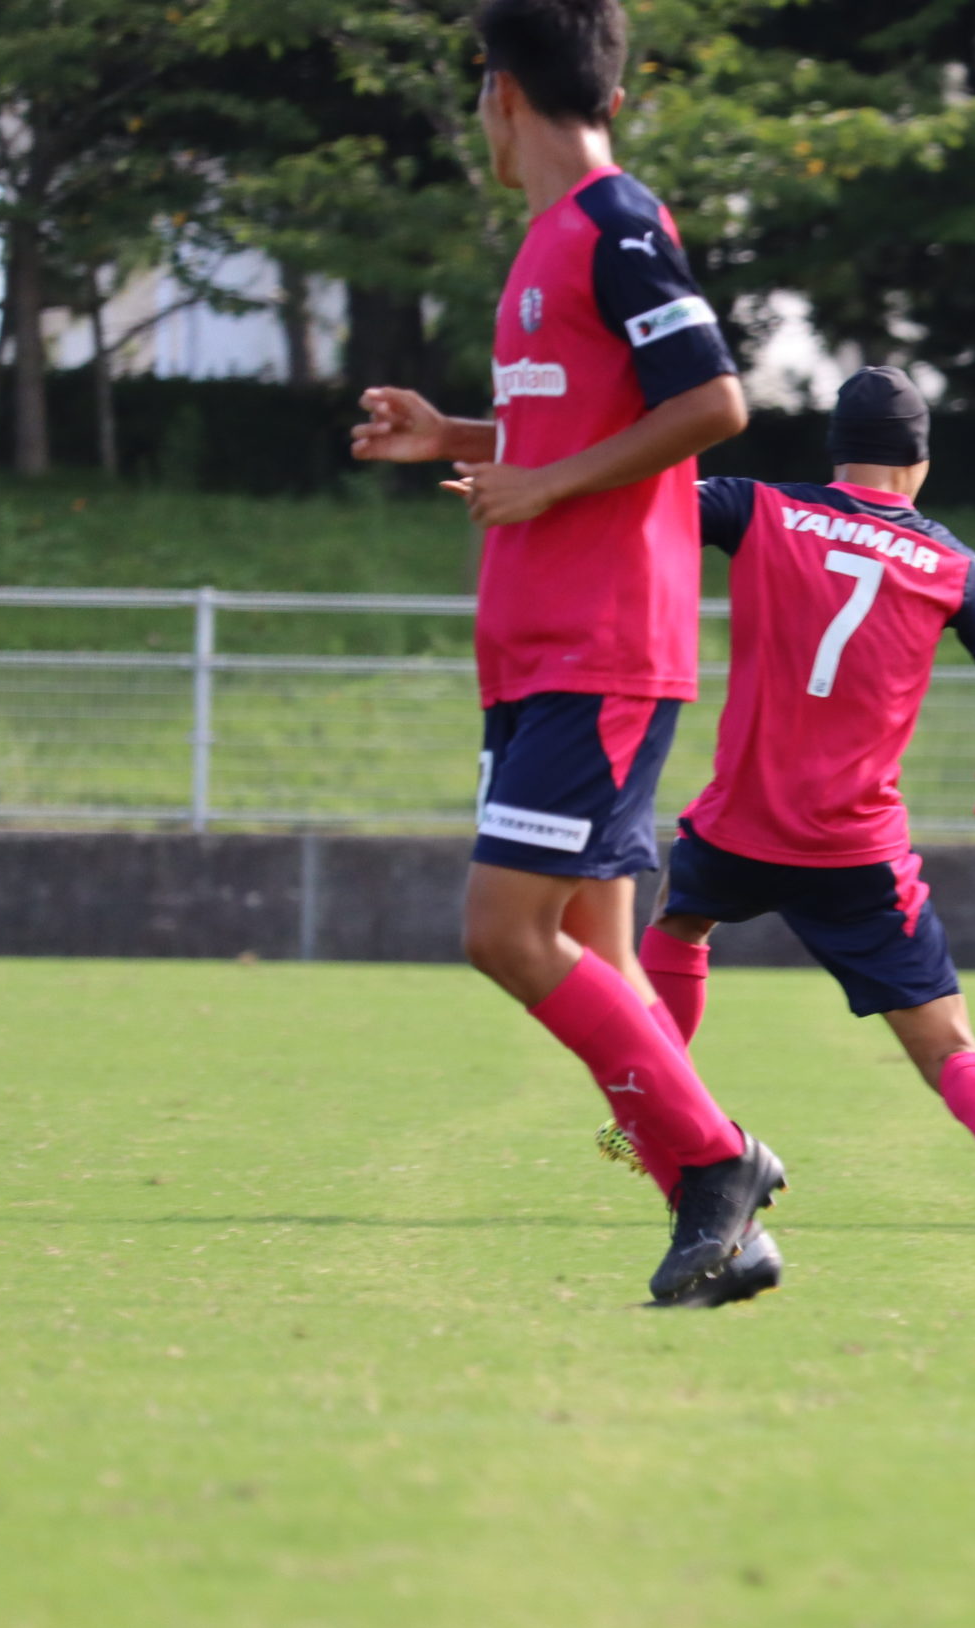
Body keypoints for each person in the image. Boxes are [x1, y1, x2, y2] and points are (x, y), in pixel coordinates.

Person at [348, 0, 784, 1305]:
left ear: (499, 91)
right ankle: (725, 1227)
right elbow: (578, 422)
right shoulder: (546, 244)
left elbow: (712, 401)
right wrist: (458, 437)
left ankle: (720, 1164)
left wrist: (538, 488)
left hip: (599, 646)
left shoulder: (613, 222)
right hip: (539, 650)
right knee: (597, 948)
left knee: (504, 930)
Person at [595, 366, 975, 1235]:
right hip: (858, 849)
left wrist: (527, 473)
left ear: (837, 452)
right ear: (920, 461)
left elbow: (645, 495)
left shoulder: (758, 507)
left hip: (742, 822)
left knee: (680, 923)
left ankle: (654, 1108)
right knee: (948, 1040)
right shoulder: (953, 563)